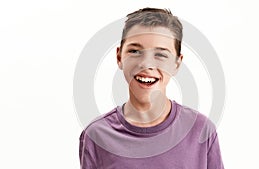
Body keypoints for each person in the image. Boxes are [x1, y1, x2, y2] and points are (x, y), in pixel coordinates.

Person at [79, 7, 224, 169]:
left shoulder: (201, 130)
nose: (146, 64)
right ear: (119, 57)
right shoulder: (96, 135)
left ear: (177, 63)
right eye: (135, 51)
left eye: (161, 54)